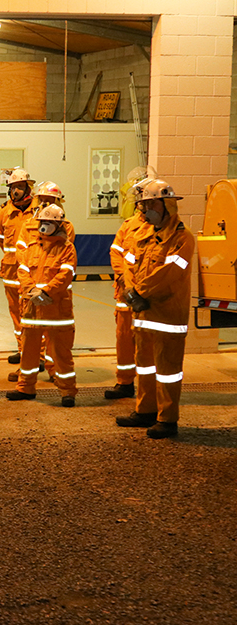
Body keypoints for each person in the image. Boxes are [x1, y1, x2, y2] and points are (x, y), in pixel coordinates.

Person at [115, 179, 194, 439]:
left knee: (168, 371)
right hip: (143, 314)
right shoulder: (141, 234)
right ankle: (145, 411)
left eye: (149, 203)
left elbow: (169, 273)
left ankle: (167, 419)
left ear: (166, 204)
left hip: (167, 315)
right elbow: (128, 262)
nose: (144, 209)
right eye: (143, 204)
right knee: (145, 367)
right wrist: (129, 289)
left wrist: (139, 292)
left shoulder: (183, 237)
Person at [5, 205, 78, 407]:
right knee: (28, 352)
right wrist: (31, 292)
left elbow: (66, 274)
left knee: (61, 353)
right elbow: (22, 271)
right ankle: (25, 388)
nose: (44, 226)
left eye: (49, 223)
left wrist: (46, 292)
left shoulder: (67, 248)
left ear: (59, 225)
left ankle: (68, 391)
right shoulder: (31, 248)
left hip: (56, 309)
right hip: (32, 309)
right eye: (42, 222)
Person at [106, 178, 153, 400]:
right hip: (125, 294)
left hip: (148, 296)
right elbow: (116, 253)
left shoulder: (162, 227)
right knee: (124, 339)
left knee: (148, 343)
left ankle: (148, 388)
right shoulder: (128, 226)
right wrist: (125, 280)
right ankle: (124, 383)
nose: (141, 204)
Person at [0, 168, 35, 368]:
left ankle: (39, 355)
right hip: (11, 271)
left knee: (34, 313)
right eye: (13, 187)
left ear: (28, 187)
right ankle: (23, 350)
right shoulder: (4, 211)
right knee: (15, 312)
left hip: (34, 271)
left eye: (19, 187)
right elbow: (0, 238)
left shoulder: (39, 210)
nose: (15, 191)